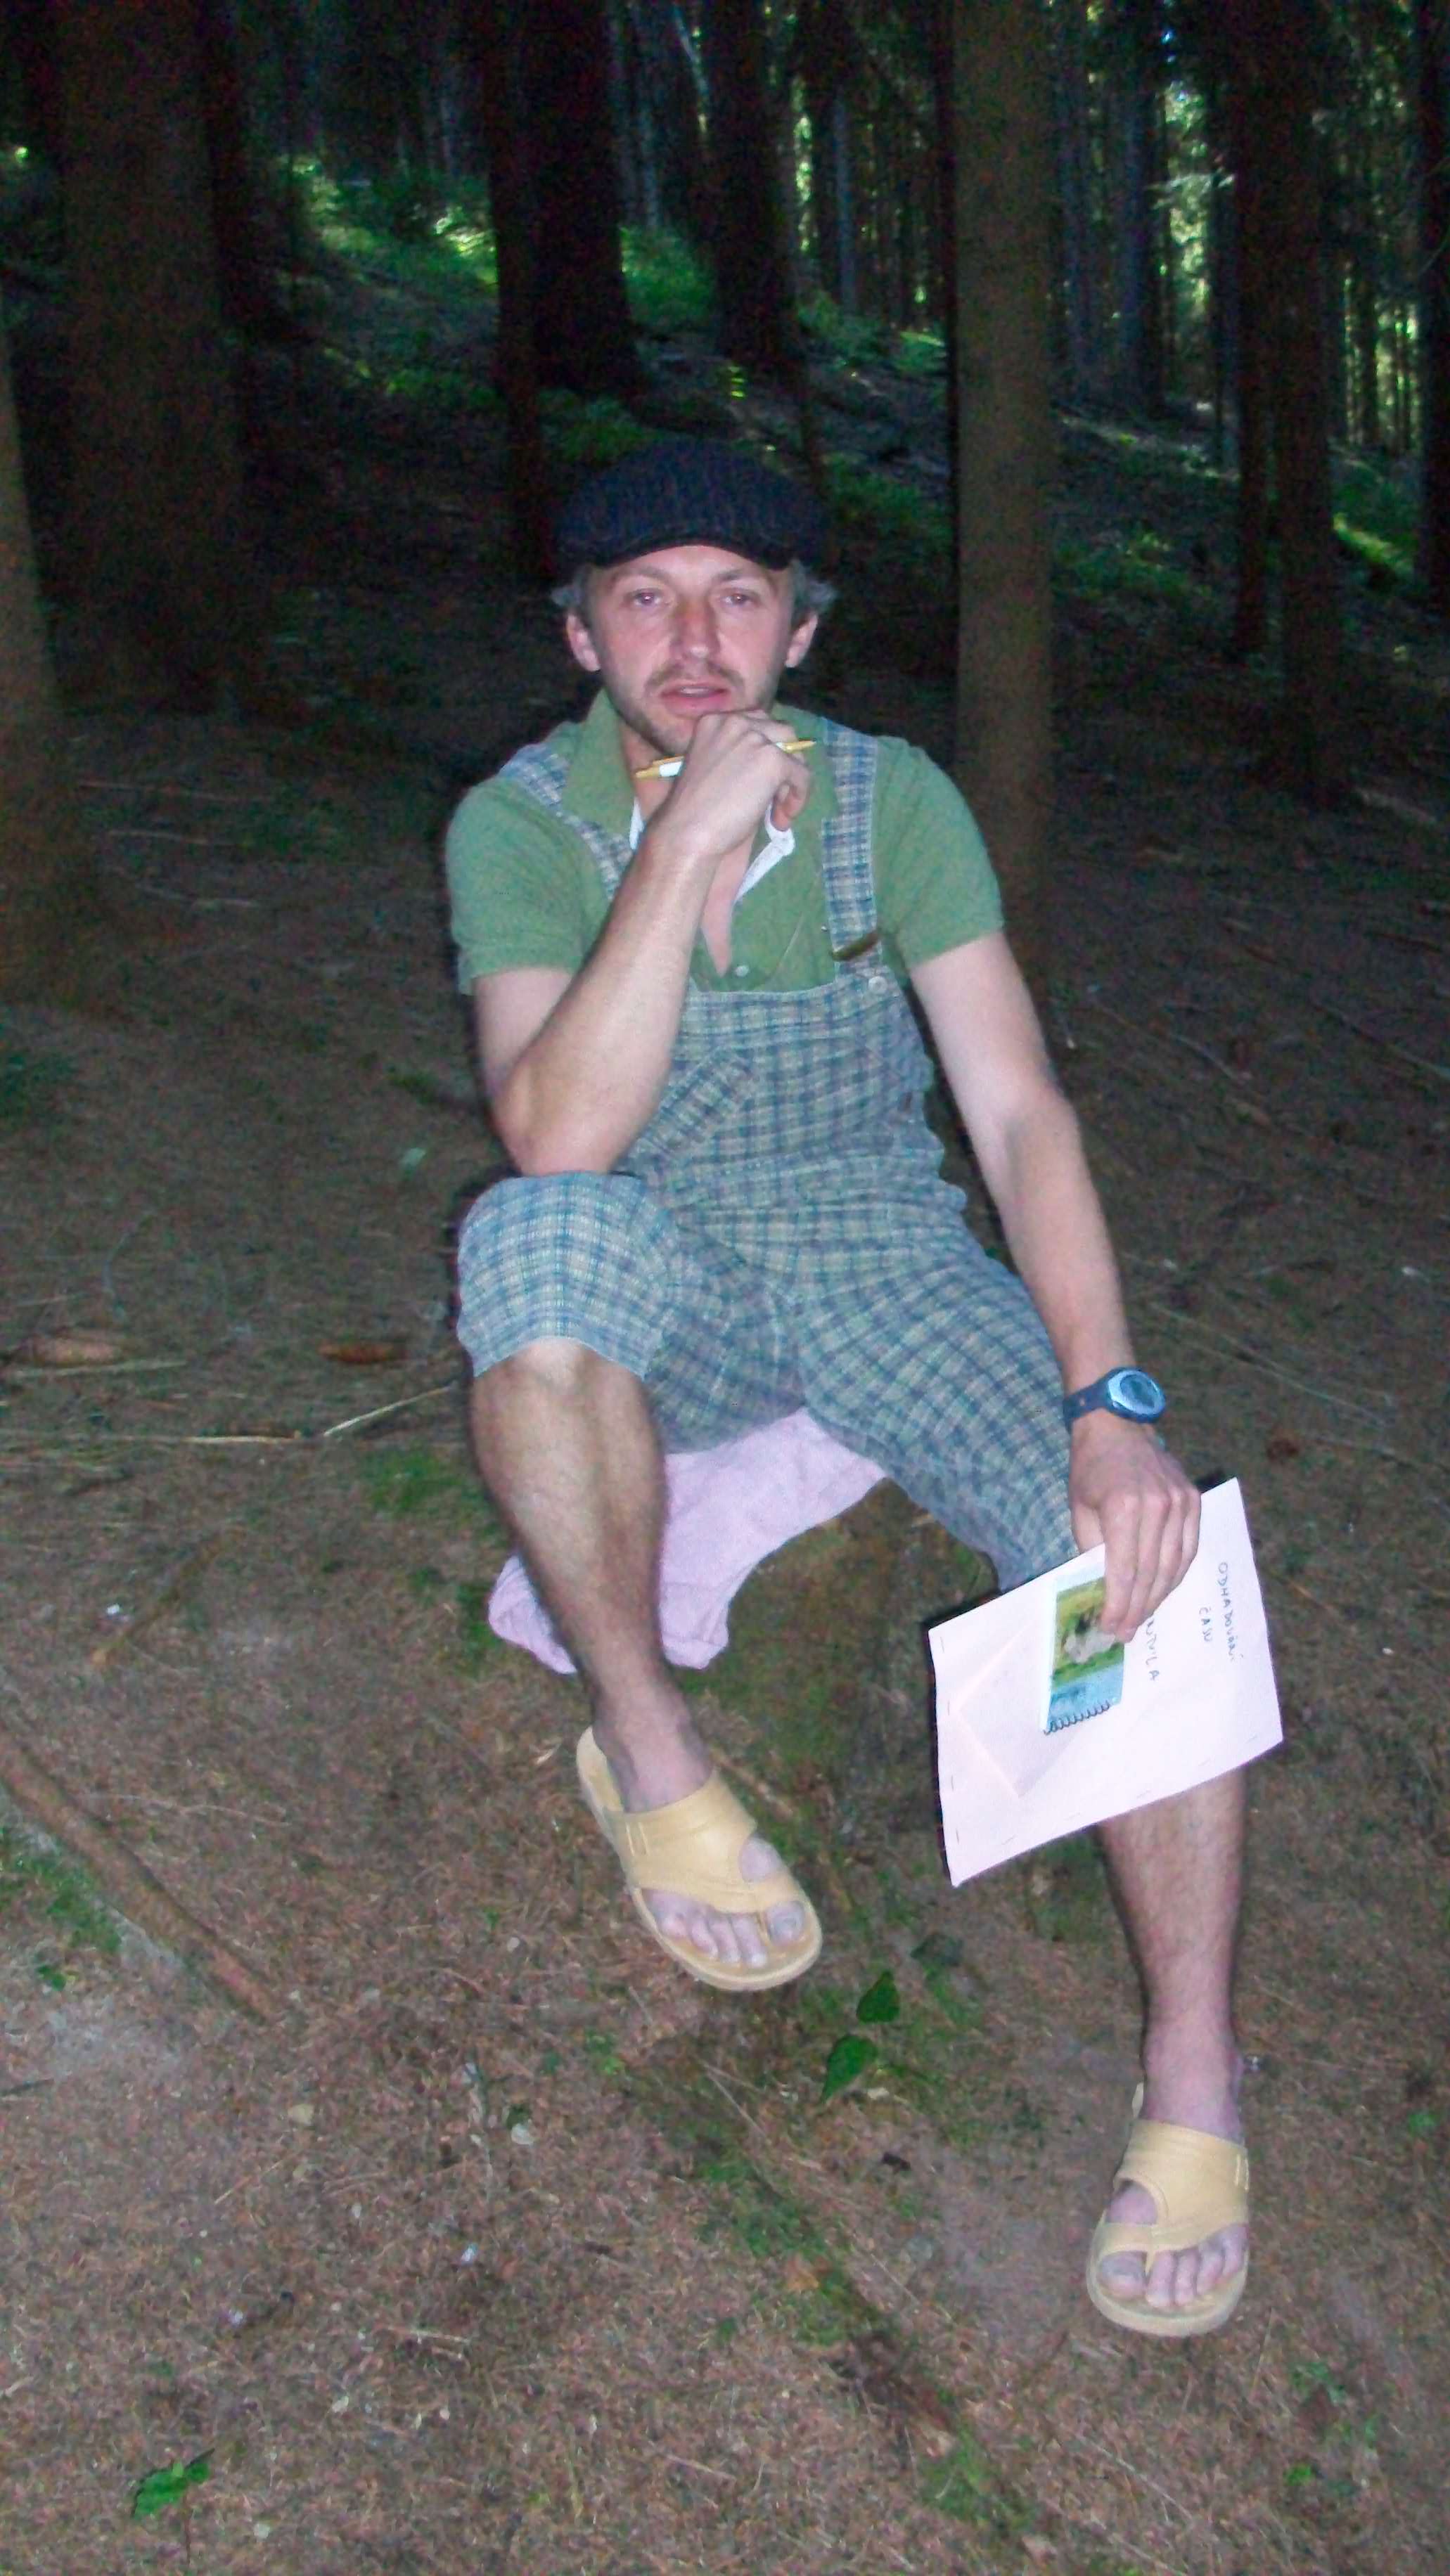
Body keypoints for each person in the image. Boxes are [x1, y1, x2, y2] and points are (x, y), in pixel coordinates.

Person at [446, 439, 1250, 2339]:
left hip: (887, 1260)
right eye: (645, 599)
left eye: (739, 598)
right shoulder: (520, 826)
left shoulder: (898, 806)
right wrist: (678, 855)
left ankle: (1194, 2063)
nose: (695, 640)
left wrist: (1108, 1396)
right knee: (530, 1254)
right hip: (664, 1263)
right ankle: (650, 1750)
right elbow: (558, 1132)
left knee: (1147, 1556)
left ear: (799, 631)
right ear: (580, 636)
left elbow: (1020, 1114)